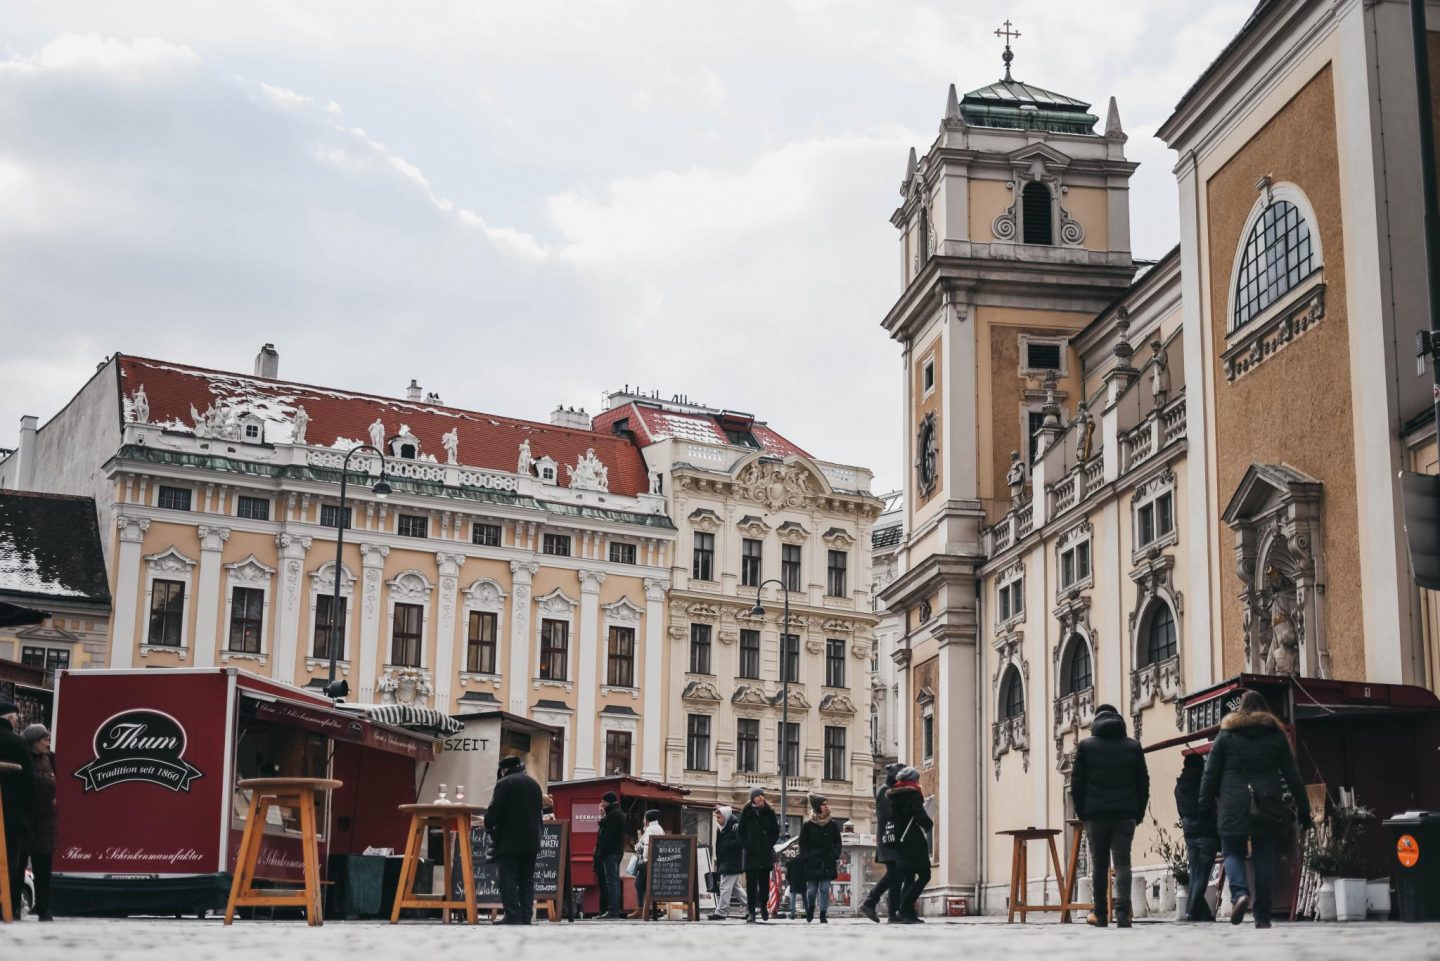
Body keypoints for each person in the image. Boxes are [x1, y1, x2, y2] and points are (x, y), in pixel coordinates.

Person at [1199, 690, 1311, 929]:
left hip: (1232, 803)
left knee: (1231, 851)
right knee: (1264, 857)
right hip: (1267, 803)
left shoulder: (1226, 735)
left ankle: (1240, 893)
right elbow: (1293, 775)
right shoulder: (1275, 735)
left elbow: (1210, 774)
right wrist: (1304, 809)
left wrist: (1204, 804)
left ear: (1240, 709)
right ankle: (1262, 915)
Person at [1071, 703, 1149, 928]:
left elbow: (1077, 783)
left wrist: (1082, 812)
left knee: (1099, 865)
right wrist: (1139, 812)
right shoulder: (1133, 747)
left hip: (1096, 816)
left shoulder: (1086, 746)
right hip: (1125, 814)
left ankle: (1100, 914)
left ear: (1096, 721)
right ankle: (1123, 913)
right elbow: (1143, 782)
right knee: (1123, 863)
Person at [485, 754, 543, 925]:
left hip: (510, 839)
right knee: (526, 879)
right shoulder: (534, 784)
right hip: (532, 839)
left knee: (508, 878)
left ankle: (512, 915)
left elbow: (495, 811)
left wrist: (488, 823)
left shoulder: (505, 783)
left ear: (504, 769)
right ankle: (526, 916)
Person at [0, 701, 34, 922]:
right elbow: (30, 784)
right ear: (11, 718)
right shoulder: (18, 743)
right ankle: (7, 909)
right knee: (10, 864)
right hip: (12, 816)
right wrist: (27, 816)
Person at [1175, 751, 1219, 921]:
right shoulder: (1205, 783)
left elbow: (1181, 811)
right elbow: (1214, 805)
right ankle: (1191, 909)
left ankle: (1204, 914)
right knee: (1202, 874)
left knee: (1195, 872)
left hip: (1189, 831)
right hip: (1207, 831)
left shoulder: (1179, 787)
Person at [887, 766, 932, 923]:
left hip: (900, 840)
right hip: (913, 840)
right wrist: (928, 824)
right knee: (925, 874)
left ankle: (908, 914)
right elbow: (919, 814)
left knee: (908, 877)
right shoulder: (913, 793)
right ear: (913, 780)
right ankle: (905, 907)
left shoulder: (894, 796)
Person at [860, 762, 904, 923]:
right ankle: (870, 902)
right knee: (894, 873)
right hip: (888, 839)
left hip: (889, 839)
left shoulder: (887, 791)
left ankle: (893, 913)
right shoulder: (885, 791)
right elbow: (890, 815)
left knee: (897, 877)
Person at [22, 724, 55, 921]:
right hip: (27, 816)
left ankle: (44, 907)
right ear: (34, 741)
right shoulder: (25, 758)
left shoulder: (50, 758)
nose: (47, 743)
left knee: (44, 865)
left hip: (45, 820)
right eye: (44, 739)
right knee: (20, 863)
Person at [798, 794, 841, 923]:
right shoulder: (808, 825)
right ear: (817, 806)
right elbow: (802, 843)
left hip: (827, 861)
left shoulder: (832, 824)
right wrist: (806, 856)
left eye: (827, 804)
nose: (826, 806)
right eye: (823, 804)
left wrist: (835, 854)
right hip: (812, 862)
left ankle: (823, 913)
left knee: (824, 889)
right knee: (811, 891)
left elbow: (837, 842)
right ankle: (810, 907)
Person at [738, 786, 778, 923]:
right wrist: (747, 845)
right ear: (752, 798)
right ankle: (751, 912)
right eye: (758, 795)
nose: (761, 797)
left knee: (764, 884)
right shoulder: (746, 812)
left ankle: (763, 907)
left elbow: (775, 832)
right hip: (751, 854)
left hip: (765, 853)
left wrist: (769, 844)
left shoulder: (770, 812)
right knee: (751, 886)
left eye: (762, 795)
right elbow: (740, 833)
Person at [709, 805, 747, 920]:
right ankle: (752, 907)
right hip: (727, 862)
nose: (717, 820)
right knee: (736, 889)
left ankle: (721, 912)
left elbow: (741, 841)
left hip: (732, 862)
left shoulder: (734, 826)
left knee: (725, 887)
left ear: (725, 816)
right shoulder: (722, 828)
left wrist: (727, 846)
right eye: (716, 818)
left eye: (719, 818)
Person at [593, 791, 626, 919]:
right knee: (614, 881)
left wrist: (601, 852)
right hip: (617, 852)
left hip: (610, 853)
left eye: (603, 801)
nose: (602, 803)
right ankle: (613, 909)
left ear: (608, 801)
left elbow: (607, 837)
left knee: (611, 882)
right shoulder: (619, 813)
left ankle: (613, 910)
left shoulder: (612, 815)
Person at [633, 809, 664, 918]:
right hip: (656, 861)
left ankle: (641, 909)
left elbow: (647, 846)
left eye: (644, 818)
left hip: (648, 862)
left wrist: (644, 858)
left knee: (638, 884)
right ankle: (656, 910)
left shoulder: (650, 829)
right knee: (649, 886)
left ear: (648, 819)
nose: (643, 820)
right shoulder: (659, 828)